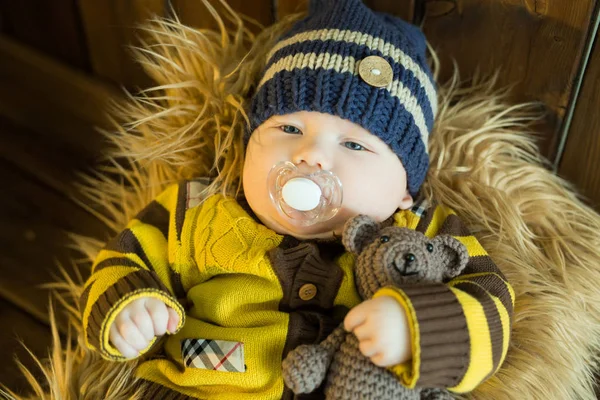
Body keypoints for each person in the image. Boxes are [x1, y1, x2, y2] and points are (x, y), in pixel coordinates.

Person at [79, 0, 513, 398]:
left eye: (355, 146)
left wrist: (417, 328)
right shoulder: (200, 209)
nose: (312, 155)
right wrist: (130, 308)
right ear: (248, 145)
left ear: (404, 190)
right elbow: (122, 259)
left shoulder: (419, 235)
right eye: (289, 130)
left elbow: (491, 303)